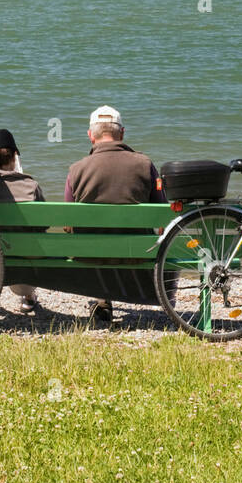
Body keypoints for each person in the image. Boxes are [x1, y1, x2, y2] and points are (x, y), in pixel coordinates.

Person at [64, 105, 165, 327]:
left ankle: (102, 298)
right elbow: (162, 215)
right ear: (122, 133)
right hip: (136, 253)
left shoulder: (76, 169)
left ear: (91, 135)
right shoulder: (145, 164)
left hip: (88, 255)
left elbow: (67, 223)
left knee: (95, 238)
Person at [0, 128, 44, 315]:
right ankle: (29, 297)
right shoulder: (30, 186)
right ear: (15, 156)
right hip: (24, 275)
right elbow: (43, 225)